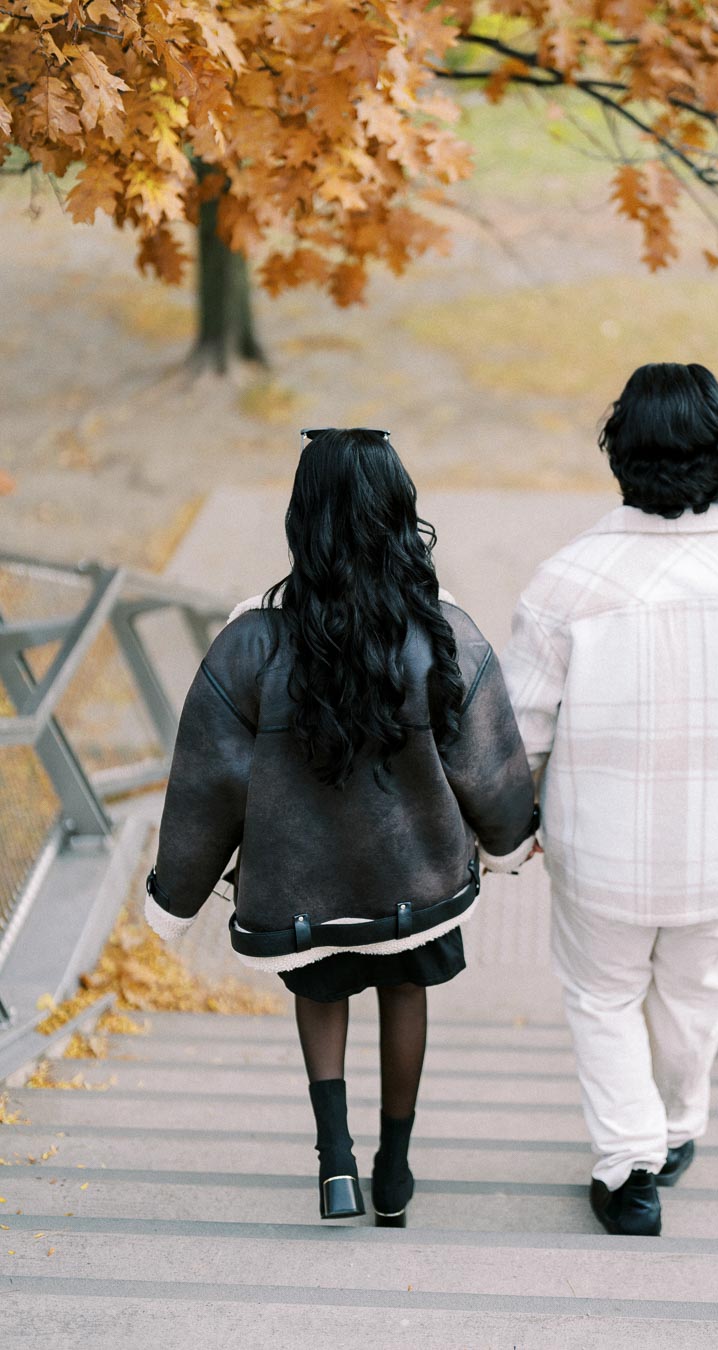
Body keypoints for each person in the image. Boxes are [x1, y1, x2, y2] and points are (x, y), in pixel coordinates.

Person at [144, 427, 537, 1226]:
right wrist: (508, 839)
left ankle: (335, 1163)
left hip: (300, 886)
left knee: (320, 990)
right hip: (415, 878)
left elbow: (207, 782)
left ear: (305, 515)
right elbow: (489, 760)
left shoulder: (250, 641)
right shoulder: (443, 634)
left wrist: (174, 896)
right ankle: (394, 1170)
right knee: (404, 989)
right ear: (398, 509)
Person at [501, 363, 718, 1237]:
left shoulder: (567, 581)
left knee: (603, 995)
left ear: (619, 455)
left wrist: (512, 828)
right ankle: (679, 1127)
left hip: (600, 851)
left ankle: (630, 1168)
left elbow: (516, 732)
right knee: (694, 987)